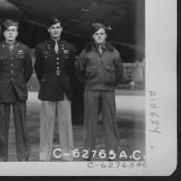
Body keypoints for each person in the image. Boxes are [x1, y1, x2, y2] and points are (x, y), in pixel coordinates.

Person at [77, 23, 134, 161]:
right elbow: (79, 72)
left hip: (108, 91)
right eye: (96, 34)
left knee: (110, 123)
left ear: (106, 35)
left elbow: (120, 73)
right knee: (90, 123)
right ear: (93, 36)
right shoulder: (86, 52)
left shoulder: (114, 52)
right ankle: (88, 153)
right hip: (91, 91)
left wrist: (126, 81)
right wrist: (88, 84)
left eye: (101, 33)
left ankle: (112, 153)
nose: (99, 36)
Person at [0, 20, 33, 161]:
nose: (10, 33)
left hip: (19, 91)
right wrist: (1, 82)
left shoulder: (24, 49)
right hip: (3, 90)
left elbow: (28, 71)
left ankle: (23, 155)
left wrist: (20, 82)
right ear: (4, 33)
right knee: (1, 126)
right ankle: (2, 157)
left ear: (17, 33)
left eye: (13, 30)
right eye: (8, 31)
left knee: (21, 125)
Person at [34, 17, 76, 161]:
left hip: (64, 89)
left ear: (61, 29)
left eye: (58, 27)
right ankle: (44, 155)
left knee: (65, 123)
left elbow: (71, 70)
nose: (55, 30)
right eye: (53, 28)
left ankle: (67, 154)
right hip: (47, 88)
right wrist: (46, 81)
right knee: (46, 123)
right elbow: (38, 69)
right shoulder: (41, 47)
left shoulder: (69, 47)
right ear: (48, 30)